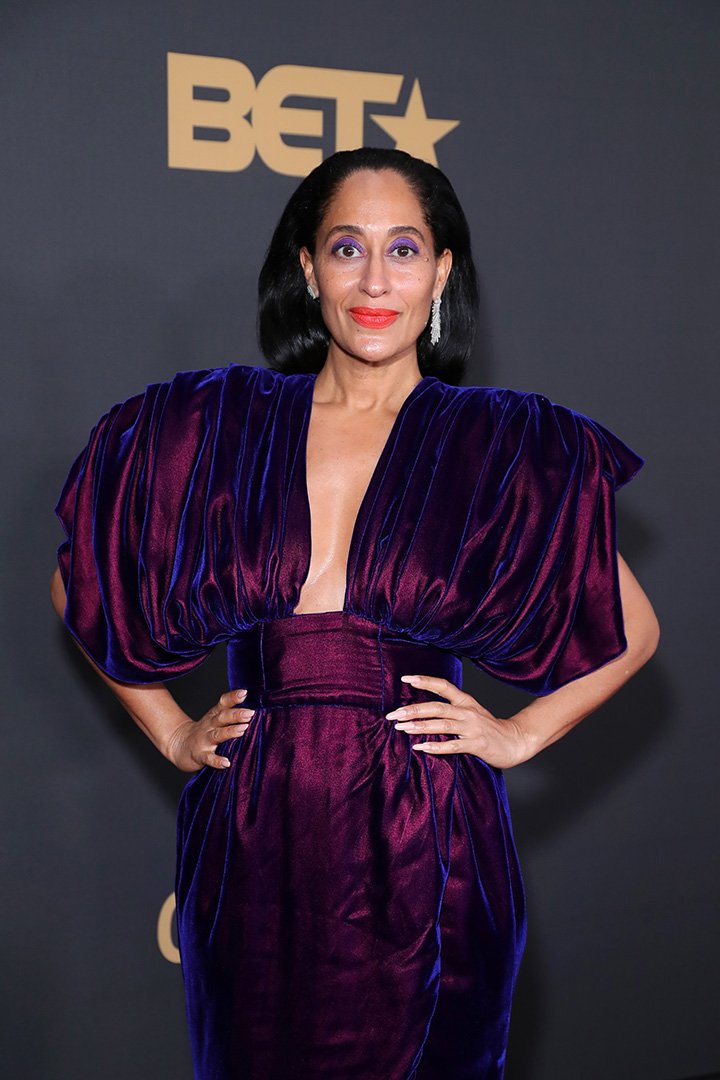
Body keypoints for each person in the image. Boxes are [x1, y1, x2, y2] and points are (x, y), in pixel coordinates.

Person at [50, 147, 659, 1080]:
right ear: (307, 269)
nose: (375, 280)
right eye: (346, 249)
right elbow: (80, 582)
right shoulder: (215, 422)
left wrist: (519, 736)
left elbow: (633, 629)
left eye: (405, 250)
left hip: (432, 835)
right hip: (251, 835)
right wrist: (171, 732)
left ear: (441, 272)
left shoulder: (496, 441)